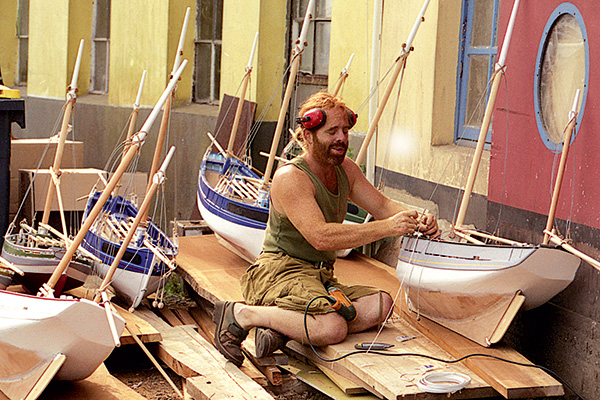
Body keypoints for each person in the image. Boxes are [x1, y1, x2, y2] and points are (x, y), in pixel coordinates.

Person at [213, 92, 439, 366]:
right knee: (333, 327)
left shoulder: (347, 170)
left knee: (381, 305)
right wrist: (387, 228)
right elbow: (320, 237)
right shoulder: (291, 178)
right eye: (332, 131)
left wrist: (418, 217)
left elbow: (381, 205)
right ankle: (243, 314)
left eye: (345, 130)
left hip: (319, 276)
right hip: (280, 272)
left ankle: (282, 327)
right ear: (308, 136)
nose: (342, 138)